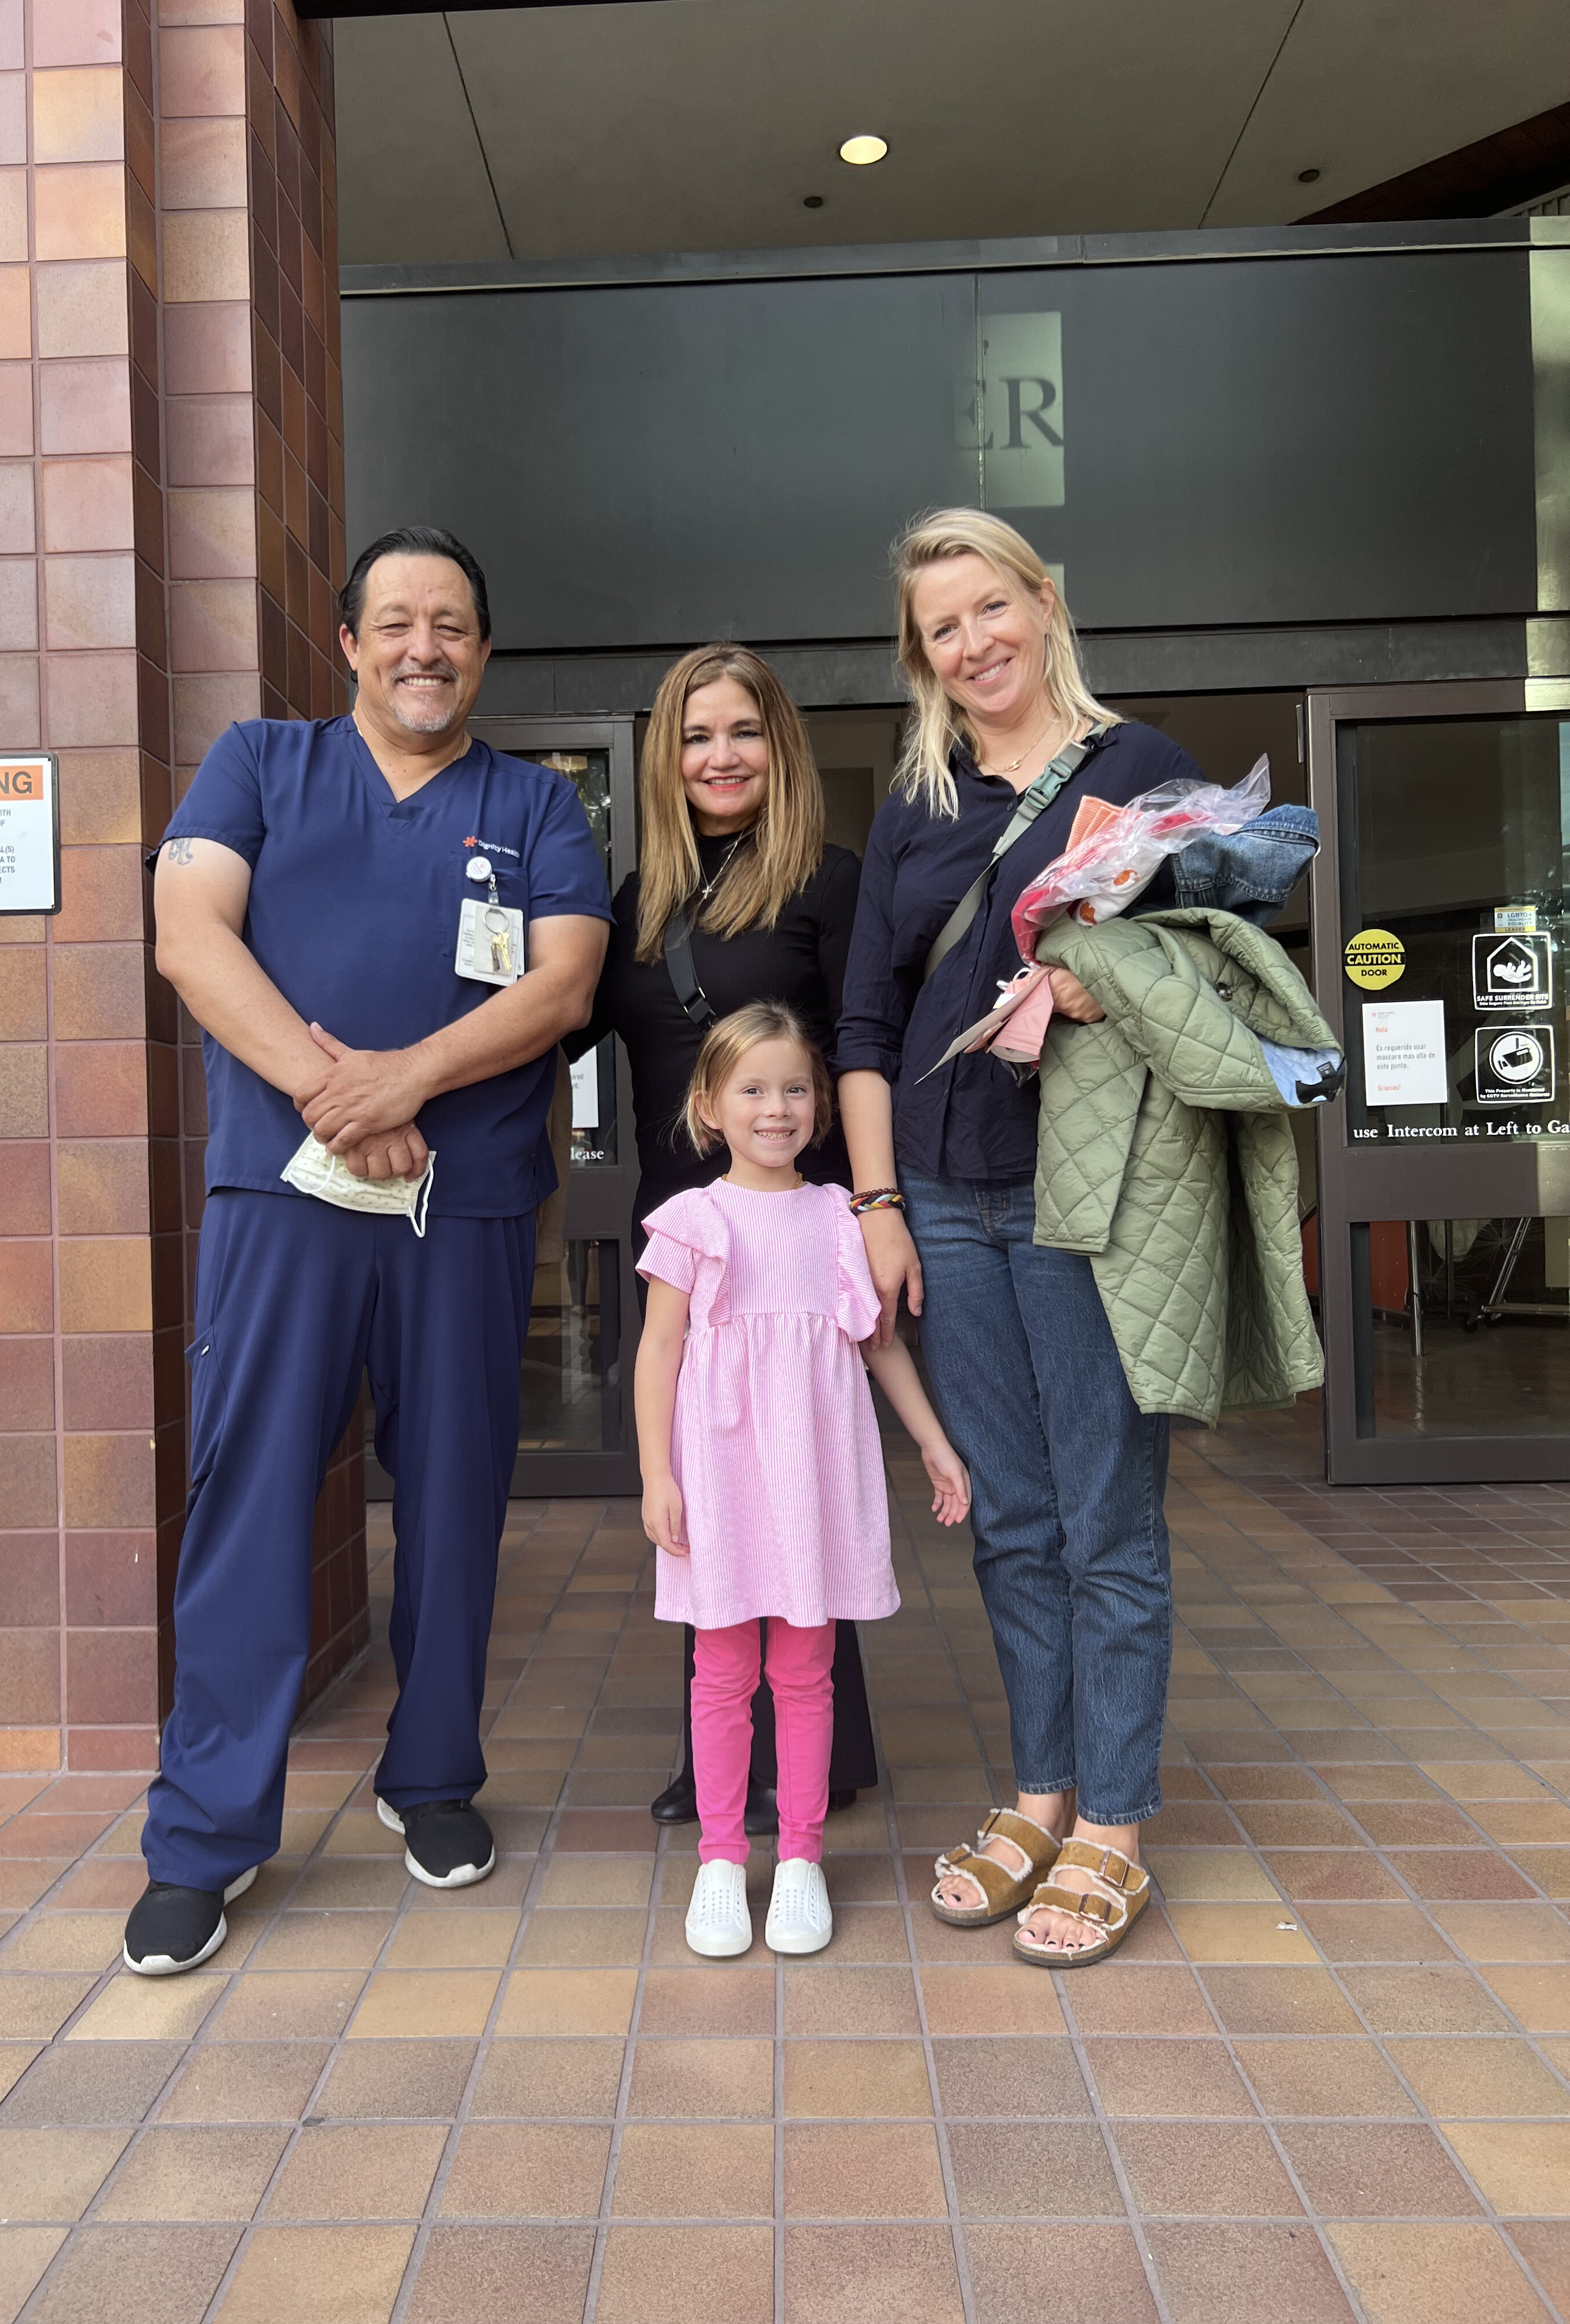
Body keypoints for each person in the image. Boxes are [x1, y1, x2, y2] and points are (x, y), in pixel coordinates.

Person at [125, 526, 612, 1976]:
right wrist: (340, 1098)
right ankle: (204, 1837)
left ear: (482, 648)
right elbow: (189, 936)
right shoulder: (259, 764)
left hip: (459, 1212)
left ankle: (434, 1778)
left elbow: (565, 979)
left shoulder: (536, 804)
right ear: (347, 643)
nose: (424, 647)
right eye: (395, 621)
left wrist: (406, 1084)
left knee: (456, 1506)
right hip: (285, 1201)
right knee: (252, 1497)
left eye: (452, 624)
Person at [835, 508, 1208, 1968]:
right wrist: (875, 1204)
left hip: (1086, 1191)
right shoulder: (918, 801)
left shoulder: (1142, 771)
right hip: (942, 1189)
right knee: (1007, 1517)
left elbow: (1204, 970)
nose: (976, 642)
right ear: (921, 654)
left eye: (994, 607)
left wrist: (1101, 986)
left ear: (1046, 604)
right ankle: (1042, 1792)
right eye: (945, 626)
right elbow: (865, 1019)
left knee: (1106, 1511)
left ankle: (1116, 1818)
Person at [574, 644, 879, 1829]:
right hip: (687, 1240)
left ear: (779, 746)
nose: (720, 756)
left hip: (799, 1231)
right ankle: (725, 1758)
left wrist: (872, 1207)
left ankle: (812, 1754)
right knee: (703, 1492)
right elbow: (552, 1025)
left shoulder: (831, 882)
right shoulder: (634, 903)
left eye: (742, 732)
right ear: (668, 757)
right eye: (697, 736)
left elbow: (861, 1051)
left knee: (796, 1484)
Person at [635, 1005, 969, 1958]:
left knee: (807, 1672)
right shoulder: (693, 1221)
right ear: (710, 1107)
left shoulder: (837, 1216)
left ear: (820, 1108)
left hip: (815, 1476)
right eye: (752, 1089)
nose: (774, 1109)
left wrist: (935, 1445)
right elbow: (659, 1353)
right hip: (725, 1478)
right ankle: (719, 1860)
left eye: (794, 1090)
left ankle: (802, 1860)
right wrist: (658, 1472)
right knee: (722, 1672)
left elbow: (878, 1346)